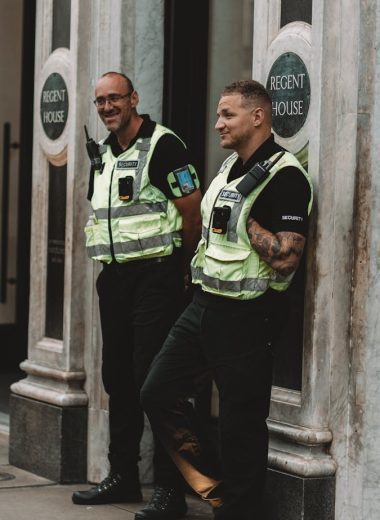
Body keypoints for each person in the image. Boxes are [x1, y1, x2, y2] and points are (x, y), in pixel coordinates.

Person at [139, 79, 313, 520]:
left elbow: (288, 259)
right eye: (219, 114)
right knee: (157, 391)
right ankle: (212, 487)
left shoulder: (286, 175)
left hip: (249, 318)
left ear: (257, 117)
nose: (218, 123)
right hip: (203, 307)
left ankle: (238, 510)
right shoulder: (228, 168)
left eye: (227, 115)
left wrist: (248, 225)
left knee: (240, 424)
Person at [72, 72, 202, 520]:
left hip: (158, 278)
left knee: (156, 382)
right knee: (118, 379)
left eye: (115, 99)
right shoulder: (104, 154)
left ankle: (171, 490)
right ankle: (122, 474)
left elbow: (192, 209)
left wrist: (182, 269)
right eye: (100, 101)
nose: (107, 107)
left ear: (134, 99)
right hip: (116, 279)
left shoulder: (164, 145)